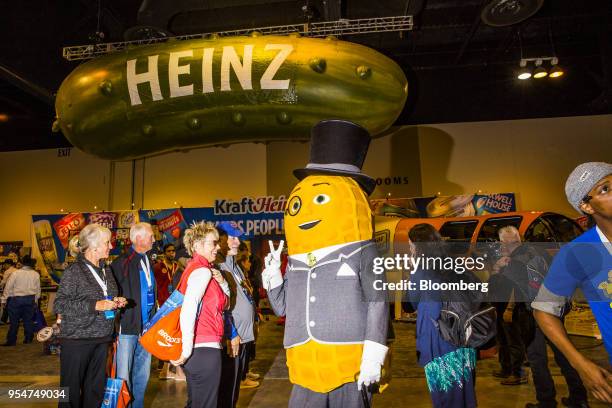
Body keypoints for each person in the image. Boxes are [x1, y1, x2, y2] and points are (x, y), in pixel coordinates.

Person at [262, 120, 389, 407]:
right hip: (305, 366)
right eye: (297, 205)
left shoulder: (366, 252)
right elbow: (283, 308)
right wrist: (273, 278)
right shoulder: (296, 262)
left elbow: (378, 301)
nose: (304, 210)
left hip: (349, 362)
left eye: (319, 198)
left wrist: (374, 351)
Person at [533, 162, 612, 405]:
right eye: (605, 189)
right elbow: (543, 310)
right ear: (586, 206)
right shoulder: (578, 253)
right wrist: (580, 364)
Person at [496, 226, 588, 407]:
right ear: (519, 238)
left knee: (537, 359)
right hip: (553, 311)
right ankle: (579, 398)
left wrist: (499, 270)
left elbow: (511, 292)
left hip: (534, 316)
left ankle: (546, 402)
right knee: (564, 355)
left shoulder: (512, 263)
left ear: (503, 243)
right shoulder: (539, 251)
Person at [54, 224, 127, 408]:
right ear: (94, 246)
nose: (111, 247)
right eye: (107, 242)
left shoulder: (106, 270)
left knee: (95, 390)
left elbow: (104, 297)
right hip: (77, 339)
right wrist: (95, 305)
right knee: (69, 394)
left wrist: (115, 302)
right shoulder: (74, 271)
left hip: (101, 338)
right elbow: (60, 303)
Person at [408, 223, 477, 408]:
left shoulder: (421, 270)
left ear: (416, 245)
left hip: (438, 337)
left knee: (444, 394)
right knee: (464, 391)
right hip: (461, 334)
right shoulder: (454, 263)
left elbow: (411, 303)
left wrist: (413, 271)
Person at [170, 221, 230, 408]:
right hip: (203, 348)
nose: (218, 247)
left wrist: (222, 283)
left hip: (201, 347)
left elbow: (225, 304)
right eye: (214, 242)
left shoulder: (200, 269)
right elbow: (189, 308)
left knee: (196, 403)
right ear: (198, 245)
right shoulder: (201, 271)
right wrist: (186, 349)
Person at [111, 222, 157, 408]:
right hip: (127, 329)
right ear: (139, 238)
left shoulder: (147, 260)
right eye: (151, 236)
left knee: (142, 376)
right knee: (124, 376)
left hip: (146, 328)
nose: (154, 239)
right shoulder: (121, 263)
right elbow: (112, 295)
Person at [217, 221, 258, 408]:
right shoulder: (219, 265)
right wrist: (231, 332)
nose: (236, 242)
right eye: (232, 238)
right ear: (221, 239)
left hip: (241, 337)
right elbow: (220, 306)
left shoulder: (234, 264)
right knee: (226, 391)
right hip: (230, 339)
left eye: (237, 237)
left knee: (233, 391)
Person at [490, 227, 529, 386]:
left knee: (514, 340)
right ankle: (506, 368)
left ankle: (518, 373)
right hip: (500, 304)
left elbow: (517, 287)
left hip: (512, 307)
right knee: (503, 338)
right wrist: (497, 267)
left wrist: (510, 309)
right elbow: (495, 279)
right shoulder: (506, 257)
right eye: (503, 242)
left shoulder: (520, 258)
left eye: (510, 242)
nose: (505, 246)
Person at [1, 255, 41, 346]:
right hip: (30, 299)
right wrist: (35, 300)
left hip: (16, 300)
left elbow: (8, 288)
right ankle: (28, 338)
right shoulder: (36, 274)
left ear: (22, 263)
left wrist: (3, 300)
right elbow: (38, 290)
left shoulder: (16, 273)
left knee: (14, 321)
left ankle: (11, 341)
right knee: (28, 320)